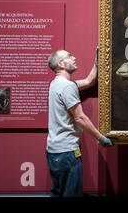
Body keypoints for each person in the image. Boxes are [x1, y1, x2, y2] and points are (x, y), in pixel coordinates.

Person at [46, 48, 113, 197]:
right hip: (67, 152)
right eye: (70, 56)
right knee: (71, 194)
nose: (74, 57)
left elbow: (90, 81)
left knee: (58, 193)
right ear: (61, 64)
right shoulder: (67, 86)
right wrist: (101, 138)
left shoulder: (56, 83)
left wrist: (97, 61)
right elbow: (80, 118)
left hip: (54, 151)